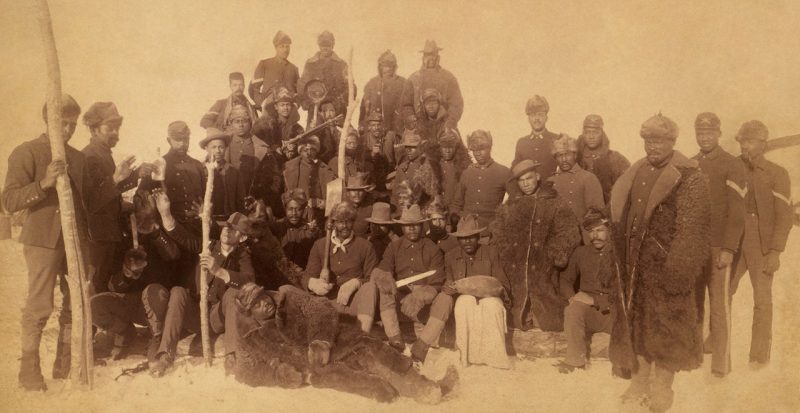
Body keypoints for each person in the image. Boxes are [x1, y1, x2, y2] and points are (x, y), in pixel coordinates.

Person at [607, 114, 709, 412]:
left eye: (660, 140)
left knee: (667, 326)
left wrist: (678, 269)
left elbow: (694, 228)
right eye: (648, 140)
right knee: (636, 321)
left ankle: (663, 384)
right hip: (634, 264)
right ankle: (639, 380)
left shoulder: (689, 176)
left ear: (673, 142)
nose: (653, 146)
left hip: (666, 266)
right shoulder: (635, 172)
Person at [233, 283, 458, 404]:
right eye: (257, 305)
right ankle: (399, 391)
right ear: (249, 312)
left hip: (336, 342)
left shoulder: (287, 295)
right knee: (377, 389)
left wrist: (320, 340)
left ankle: (426, 388)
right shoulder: (250, 334)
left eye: (263, 297)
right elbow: (245, 371)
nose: (265, 304)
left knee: (375, 352)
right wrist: (278, 375)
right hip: (317, 370)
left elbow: (320, 308)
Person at [2, 95, 90, 390]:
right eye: (62, 124)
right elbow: (9, 201)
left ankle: (65, 366)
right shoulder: (26, 151)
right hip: (42, 240)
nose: (67, 130)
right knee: (40, 304)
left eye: (72, 125)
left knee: (75, 302)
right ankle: (29, 372)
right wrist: (43, 184)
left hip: (73, 241)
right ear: (48, 122)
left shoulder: (78, 158)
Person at [150, 212, 255, 376]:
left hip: (217, 318)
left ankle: (232, 356)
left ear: (242, 238)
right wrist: (165, 213)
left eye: (233, 229)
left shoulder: (242, 256)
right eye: (226, 226)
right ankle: (165, 354)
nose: (227, 230)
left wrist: (219, 271)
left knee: (234, 293)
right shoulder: (208, 245)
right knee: (178, 291)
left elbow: (249, 282)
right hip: (196, 313)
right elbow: (184, 237)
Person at [490, 160, 580, 331]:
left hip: (543, 265)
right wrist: (507, 251)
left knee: (547, 310)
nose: (525, 184)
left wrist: (554, 255)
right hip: (515, 265)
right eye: (521, 180)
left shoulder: (554, 201)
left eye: (529, 178)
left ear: (537, 177)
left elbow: (568, 230)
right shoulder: (512, 204)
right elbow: (498, 229)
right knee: (515, 307)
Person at [731, 120, 792, 368]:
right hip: (734, 238)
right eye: (743, 141)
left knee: (762, 299)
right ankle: (715, 345)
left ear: (763, 144)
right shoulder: (733, 167)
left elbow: (784, 215)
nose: (746, 146)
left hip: (761, 239)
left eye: (751, 141)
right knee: (723, 290)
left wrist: (775, 251)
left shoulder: (777, 173)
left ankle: (759, 356)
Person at [91, 190, 178, 362]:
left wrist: (155, 233)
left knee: (153, 291)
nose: (140, 220)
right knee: (95, 306)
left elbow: (173, 255)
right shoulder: (123, 239)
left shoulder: (162, 230)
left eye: (146, 212)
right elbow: (113, 287)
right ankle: (125, 332)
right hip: (131, 303)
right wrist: (128, 273)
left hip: (157, 303)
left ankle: (156, 337)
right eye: (137, 213)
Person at [691, 112, 746, 377]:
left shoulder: (731, 164)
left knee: (720, 307)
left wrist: (728, 249)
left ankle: (721, 365)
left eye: (709, 132)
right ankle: (694, 357)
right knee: (694, 304)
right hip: (695, 248)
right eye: (700, 133)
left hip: (719, 248)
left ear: (718, 133)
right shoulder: (690, 164)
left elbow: (737, 213)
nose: (704, 137)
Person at [82, 101, 152, 293]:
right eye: (110, 128)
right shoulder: (89, 157)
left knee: (104, 288)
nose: (116, 133)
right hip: (96, 238)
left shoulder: (103, 154)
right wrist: (117, 179)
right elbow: (93, 201)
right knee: (95, 289)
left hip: (108, 235)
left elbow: (110, 192)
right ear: (95, 129)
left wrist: (135, 176)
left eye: (117, 128)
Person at [370, 205, 451, 361]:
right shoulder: (394, 246)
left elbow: (438, 281)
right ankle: (395, 339)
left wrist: (421, 294)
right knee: (385, 289)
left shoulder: (433, 249)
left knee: (446, 298)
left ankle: (422, 345)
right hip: (401, 302)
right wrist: (386, 278)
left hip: (424, 305)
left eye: (416, 225)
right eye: (408, 226)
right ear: (402, 226)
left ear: (421, 225)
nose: (412, 229)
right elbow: (384, 269)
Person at [442, 214, 511, 369]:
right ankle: (464, 356)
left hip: (490, 296)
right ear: (457, 239)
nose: (467, 242)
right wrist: (447, 288)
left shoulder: (490, 252)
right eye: (462, 238)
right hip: (465, 298)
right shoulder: (451, 256)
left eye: (472, 237)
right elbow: (449, 281)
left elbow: (502, 283)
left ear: (478, 236)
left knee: (492, 305)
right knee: (464, 303)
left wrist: (491, 290)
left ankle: (495, 359)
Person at [303, 203, 379, 333]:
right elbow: (306, 276)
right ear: (332, 223)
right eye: (340, 222)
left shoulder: (365, 246)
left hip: (353, 306)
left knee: (370, 287)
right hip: (327, 305)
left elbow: (373, 279)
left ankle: (362, 336)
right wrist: (313, 283)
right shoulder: (320, 245)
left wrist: (357, 282)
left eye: (349, 221)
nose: (345, 226)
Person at [555, 208, 615, 373]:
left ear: (610, 230)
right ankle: (575, 360)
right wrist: (572, 297)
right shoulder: (581, 252)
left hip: (615, 312)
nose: (595, 236)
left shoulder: (619, 253)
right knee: (573, 310)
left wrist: (596, 301)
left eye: (600, 230)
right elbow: (566, 280)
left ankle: (624, 363)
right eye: (591, 231)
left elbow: (628, 291)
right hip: (590, 313)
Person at [547, 133, 604, 242]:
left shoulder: (588, 178)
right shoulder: (550, 181)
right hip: (557, 239)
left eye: (567, 154)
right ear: (555, 158)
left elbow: (596, 213)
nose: (564, 159)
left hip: (583, 238)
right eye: (559, 155)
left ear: (574, 155)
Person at [450, 130, 511, 227]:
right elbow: (457, 203)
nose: (478, 153)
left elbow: (515, 199)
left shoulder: (503, 172)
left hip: (490, 230)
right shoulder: (467, 173)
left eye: (482, 148)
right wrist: (455, 218)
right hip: (466, 229)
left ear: (490, 148)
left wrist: (502, 218)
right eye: (474, 149)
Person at [405, 40, 463, 129]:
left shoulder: (448, 78)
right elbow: (406, 104)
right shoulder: (413, 79)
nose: (430, 58)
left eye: (433, 55)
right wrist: (412, 120)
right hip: (418, 126)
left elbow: (456, 104)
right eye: (427, 55)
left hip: (444, 124)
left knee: (451, 140)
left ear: (438, 57)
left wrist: (450, 121)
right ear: (423, 57)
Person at [576, 114, 630, 204]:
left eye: (595, 132)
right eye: (587, 132)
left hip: (606, 210)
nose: (591, 136)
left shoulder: (615, 159)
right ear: (583, 134)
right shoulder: (576, 158)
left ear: (602, 134)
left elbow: (624, 188)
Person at [282, 136, 336, 223]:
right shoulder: (290, 168)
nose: (308, 153)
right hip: (297, 215)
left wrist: (321, 203)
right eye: (305, 150)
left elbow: (332, 198)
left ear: (316, 151)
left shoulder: (324, 169)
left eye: (312, 150)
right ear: (300, 152)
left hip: (318, 215)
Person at [297, 30, 351, 117]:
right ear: (319, 46)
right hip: (316, 109)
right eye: (322, 45)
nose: (325, 48)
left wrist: (339, 103)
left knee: (343, 130)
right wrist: (309, 103)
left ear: (333, 45)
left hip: (336, 109)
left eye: (328, 45)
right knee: (314, 130)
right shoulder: (311, 64)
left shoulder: (341, 65)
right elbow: (302, 85)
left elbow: (350, 87)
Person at [161, 121, 205, 223]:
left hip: (196, 223)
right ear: (169, 140)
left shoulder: (197, 165)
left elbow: (206, 196)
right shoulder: (161, 164)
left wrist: (204, 211)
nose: (182, 144)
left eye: (185, 139)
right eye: (177, 140)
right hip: (171, 224)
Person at [360, 50, 413, 133]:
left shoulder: (403, 83)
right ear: (380, 67)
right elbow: (364, 108)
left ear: (394, 67)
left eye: (390, 66)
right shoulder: (371, 83)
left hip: (394, 128)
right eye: (385, 66)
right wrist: (362, 125)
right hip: (373, 129)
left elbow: (407, 107)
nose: (388, 69)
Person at [269, 188, 321, 270]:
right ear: (285, 209)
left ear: (304, 210)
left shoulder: (309, 229)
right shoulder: (277, 226)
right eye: (290, 209)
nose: (294, 214)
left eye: (298, 209)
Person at [200, 128, 245, 220]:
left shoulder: (233, 172)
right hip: (207, 221)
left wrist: (236, 223)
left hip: (228, 221)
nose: (218, 151)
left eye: (221, 147)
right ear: (206, 148)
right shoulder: (200, 170)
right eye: (214, 147)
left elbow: (240, 202)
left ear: (225, 148)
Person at [226, 104, 269, 196]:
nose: (241, 125)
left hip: (254, 195)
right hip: (229, 195)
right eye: (237, 122)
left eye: (244, 121)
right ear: (231, 124)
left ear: (250, 123)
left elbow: (272, 176)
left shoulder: (261, 146)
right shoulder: (224, 145)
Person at [250, 30, 300, 109]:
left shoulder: (293, 69)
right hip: (269, 108)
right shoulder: (264, 64)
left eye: (287, 46)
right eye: (282, 46)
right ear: (276, 48)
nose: (285, 50)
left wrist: (295, 106)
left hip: (288, 110)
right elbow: (254, 90)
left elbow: (298, 92)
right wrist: (262, 103)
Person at [512, 95, 558, 179]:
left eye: (540, 115)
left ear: (546, 117)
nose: (537, 118)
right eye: (533, 115)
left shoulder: (556, 139)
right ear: (528, 118)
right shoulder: (522, 143)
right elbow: (514, 171)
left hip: (551, 190)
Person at [391, 130, 441, 208]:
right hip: (403, 212)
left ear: (420, 148)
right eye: (407, 147)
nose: (409, 151)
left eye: (413, 147)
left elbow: (432, 195)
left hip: (420, 211)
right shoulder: (401, 167)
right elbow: (395, 194)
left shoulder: (427, 167)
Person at [252, 87, 304, 160]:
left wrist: (293, 149)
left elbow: (301, 148)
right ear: (276, 107)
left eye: (288, 105)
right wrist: (273, 148)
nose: (285, 108)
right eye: (282, 105)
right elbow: (258, 145)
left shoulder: (298, 129)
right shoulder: (267, 126)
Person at [438, 129, 472, 211]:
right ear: (440, 147)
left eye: (451, 147)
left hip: (455, 213)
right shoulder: (434, 165)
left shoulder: (463, 167)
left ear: (456, 148)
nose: (447, 151)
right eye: (444, 147)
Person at [343, 173, 376, 237]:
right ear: (348, 193)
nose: (357, 193)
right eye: (353, 190)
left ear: (365, 193)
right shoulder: (341, 208)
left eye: (360, 190)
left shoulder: (370, 208)